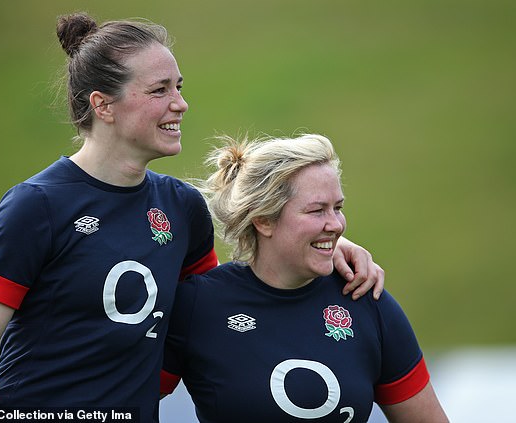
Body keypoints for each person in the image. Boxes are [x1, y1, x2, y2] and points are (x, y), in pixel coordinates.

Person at [0, 12, 383, 419]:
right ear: (103, 105)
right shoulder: (36, 206)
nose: (180, 104)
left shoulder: (182, 207)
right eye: (159, 90)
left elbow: (215, 307)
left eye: (179, 87)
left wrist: (320, 244)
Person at [159, 134, 449, 422]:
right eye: (317, 210)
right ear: (264, 220)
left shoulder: (366, 299)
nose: (336, 225)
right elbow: (126, 399)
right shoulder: (199, 305)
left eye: (338, 208)